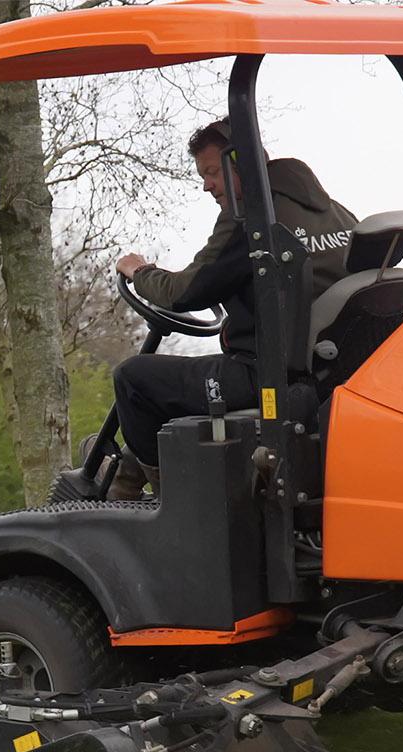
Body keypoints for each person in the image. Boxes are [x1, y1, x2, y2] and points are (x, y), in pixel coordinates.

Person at [103, 118, 358, 500]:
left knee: (134, 379)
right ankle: (127, 467)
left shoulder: (253, 220)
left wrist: (140, 272)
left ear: (239, 161)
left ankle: (169, 504)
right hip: (326, 373)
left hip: (269, 378)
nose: (207, 185)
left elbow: (182, 292)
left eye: (211, 173)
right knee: (177, 388)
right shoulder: (335, 213)